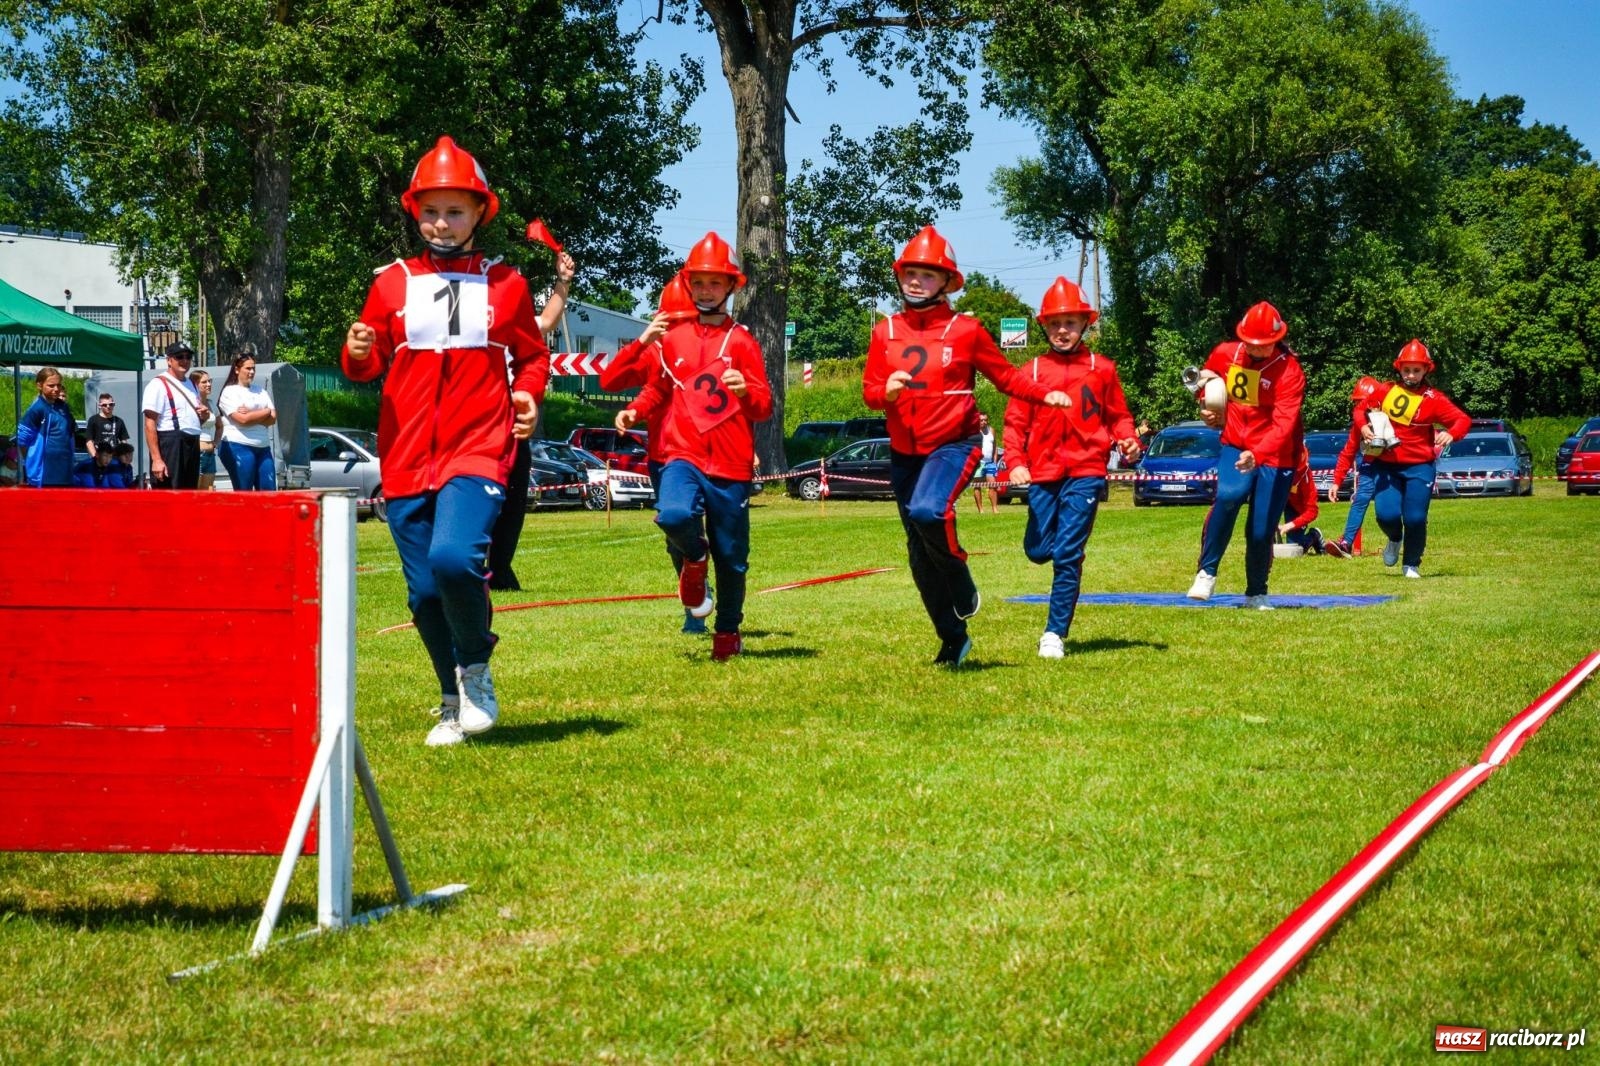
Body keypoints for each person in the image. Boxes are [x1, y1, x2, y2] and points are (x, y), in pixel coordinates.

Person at [342, 135, 550, 746]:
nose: (441, 222)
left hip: (479, 447)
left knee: (454, 558)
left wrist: (529, 393)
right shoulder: (391, 285)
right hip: (405, 455)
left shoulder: (507, 283)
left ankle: (477, 669)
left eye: (455, 210)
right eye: (430, 210)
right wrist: (355, 353)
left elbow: (532, 356)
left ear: (480, 211)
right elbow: (368, 360)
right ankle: (450, 699)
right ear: (414, 212)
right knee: (423, 591)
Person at [862, 224, 1071, 665]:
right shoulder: (884, 332)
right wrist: (888, 393)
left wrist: (1043, 393)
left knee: (928, 511)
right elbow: (869, 392)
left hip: (954, 444)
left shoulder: (966, 330)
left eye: (928, 274)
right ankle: (953, 637)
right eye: (910, 273)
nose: (917, 281)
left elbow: (1007, 377)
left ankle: (959, 569)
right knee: (918, 553)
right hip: (905, 453)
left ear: (947, 282)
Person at [615, 231, 772, 661]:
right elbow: (657, 388)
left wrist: (745, 391)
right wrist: (634, 409)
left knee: (733, 555)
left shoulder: (742, 341)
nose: (706, 291)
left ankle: (727, 633)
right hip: (681, 454)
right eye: (698, 282)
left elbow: (763, 406)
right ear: (688, 285)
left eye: (715, 283)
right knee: (674, 515)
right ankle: (694, 558)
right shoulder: (673, 338)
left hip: (730, 464)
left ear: (731, 288)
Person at [1003, 278, 1140, 658]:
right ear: (1044, 326)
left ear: (1085, 325)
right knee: (1037, 550)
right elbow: (1015, 424)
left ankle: (1054, 633)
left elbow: (1119, 417)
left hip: (1086, 472)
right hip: (1042, 475)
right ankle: (1051, 548)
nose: (1063, 330)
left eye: (1071, 323)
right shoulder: (1030, 372)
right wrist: (1015, 463)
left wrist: (1128, 440)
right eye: (1055, 323)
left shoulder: (1102, 369)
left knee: (1067, 554)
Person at [599, 274, 708, 633]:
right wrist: (643, 339)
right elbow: (610, 380)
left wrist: (748, 447)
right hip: (667, 458)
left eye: (685, 322)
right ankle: (695, 604)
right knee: (676, 530)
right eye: (671, 323)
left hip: (712, 454)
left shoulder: (716, 347)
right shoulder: (656, 351)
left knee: (727, 538)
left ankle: (724, 611)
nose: (679, 331)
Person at [1185, 301, 1305, 610]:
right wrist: (1209, 405)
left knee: (1261, 528)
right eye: (1251, 343)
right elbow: (1206, 378)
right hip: (1236, 444)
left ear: (1276, 340)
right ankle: (1207, 572)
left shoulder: (1290, 372)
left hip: (1277, 455)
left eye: (1264, 345)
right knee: (1229, 495)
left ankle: (1256, 593)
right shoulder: (1228, 352)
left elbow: (1284, 425)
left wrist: (1259, 452)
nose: (1257, 349)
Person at [487, 247, 575, 590]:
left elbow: (548, 320)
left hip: (513, 424)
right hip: (478, 419)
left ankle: (500, 568)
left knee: (512, 498)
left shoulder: (517, 327)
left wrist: (563, 281)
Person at [1356, 340, 1470, 578]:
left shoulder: (1434, 399)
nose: (1410, 375)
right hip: (1387, 465)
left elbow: (1463, 420)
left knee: (1415, 517)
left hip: (1420, 466)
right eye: (1406, 369)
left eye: (1416, 370)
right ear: (1399, 368)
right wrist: (1363, 426)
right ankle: (1395, 539)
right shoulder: (1385, 390)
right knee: (1385, 515)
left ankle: (1411, 564)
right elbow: (1360, 410)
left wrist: (1451, 433)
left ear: (1426, 370)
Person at [1322, 376, 1385, 558]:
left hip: (1393, 467)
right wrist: (1336, 482)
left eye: (1364, 403)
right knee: (1360, 500)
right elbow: (1348, 453)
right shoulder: (1359, 426)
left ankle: (1405, 539)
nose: (1362, 408)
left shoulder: (1390, 418)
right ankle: (1346, 543)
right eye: (1358, 403)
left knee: (1388, 510)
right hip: (1369, 465)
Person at [141, 340, 211, 488]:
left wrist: (203, 417)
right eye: (179, 357)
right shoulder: (158, 384)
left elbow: (191, 421)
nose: (184, 360)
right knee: (169, 494)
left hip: (192, 442)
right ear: (169, 360)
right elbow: (149, 423)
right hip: (170, 443)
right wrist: (157, 459)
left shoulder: (192, 384)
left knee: (188, 494)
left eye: (188, 357)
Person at [217, 353, 279, 491]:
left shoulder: (260, 391)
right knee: (244, 492)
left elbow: (273, 418)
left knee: (268, 491)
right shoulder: (229, 391)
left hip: (263, 446)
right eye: (248, 368)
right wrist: (265, 412)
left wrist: (253, 414)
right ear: (237, 369)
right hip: (239, 445)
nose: (251, 372)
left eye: (253, 369)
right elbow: (242, 420)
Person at [14, 366, 76, 487]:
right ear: (39, 385)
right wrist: (32, 463)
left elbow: (70, 433)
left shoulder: (63, 407)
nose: (56, 389)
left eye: (58, 385)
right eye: (51, 385)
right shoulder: (37, 409)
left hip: (65, 472)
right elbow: (22, 440)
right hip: (45, 475)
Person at [1276, 444, 1327, 554]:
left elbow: (1312, 511)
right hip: (1281, 500)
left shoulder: (1306, 479)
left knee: (1296, 549)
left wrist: (1289, 525)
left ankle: (1314, 536)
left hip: (1296, 508)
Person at [189, 369, 218, 489]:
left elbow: (220, 426)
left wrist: (215, 442)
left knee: (208, 491)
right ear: (195, 385)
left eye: (210, 381)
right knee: (195, 490)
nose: (209, 384)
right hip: (197, 453)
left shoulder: (211, 403)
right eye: (204, 382)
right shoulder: (191, 403)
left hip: (210, 454)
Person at [85, 392, 130, 460]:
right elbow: (89, 442)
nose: (108, 407)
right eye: (105, 405)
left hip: (114, 458)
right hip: (99, 458)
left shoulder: (119, 421)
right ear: (99, 406)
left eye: (111, 404)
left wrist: (124, 458)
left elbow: (124, 441)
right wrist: (95, 457)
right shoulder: (93, 420)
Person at [971, 413, 1000, 513]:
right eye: (981, 420)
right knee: (977, 485)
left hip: (990, 462)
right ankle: (981, 510)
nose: (984, 422)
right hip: (978, 462)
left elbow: (995, 445)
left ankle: (995, 509)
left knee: (993, 484)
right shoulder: (974, 432)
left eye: (985, 420)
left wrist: (995, 460)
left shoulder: (991, 430)